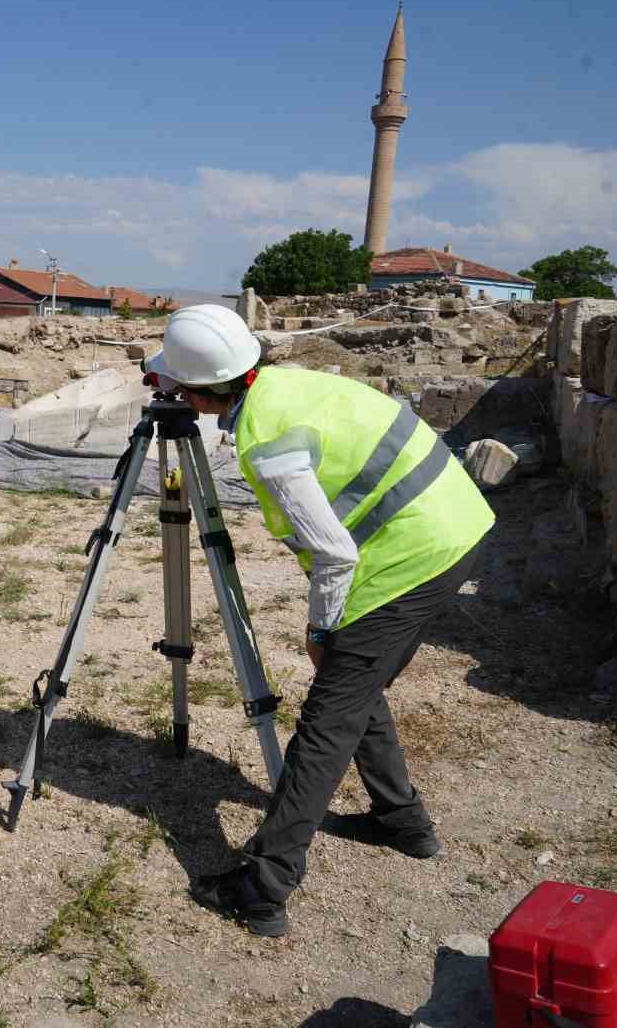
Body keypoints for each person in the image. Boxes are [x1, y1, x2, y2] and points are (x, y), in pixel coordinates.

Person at [143, 304, 494, 938]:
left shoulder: (267, 442)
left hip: (409, 553)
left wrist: (321, 630)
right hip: (454, 523)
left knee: (328, 717)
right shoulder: (285, 384)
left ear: (195, 394)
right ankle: (402, 822)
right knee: (355, 687)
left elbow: (334, 551)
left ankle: (263, 884)